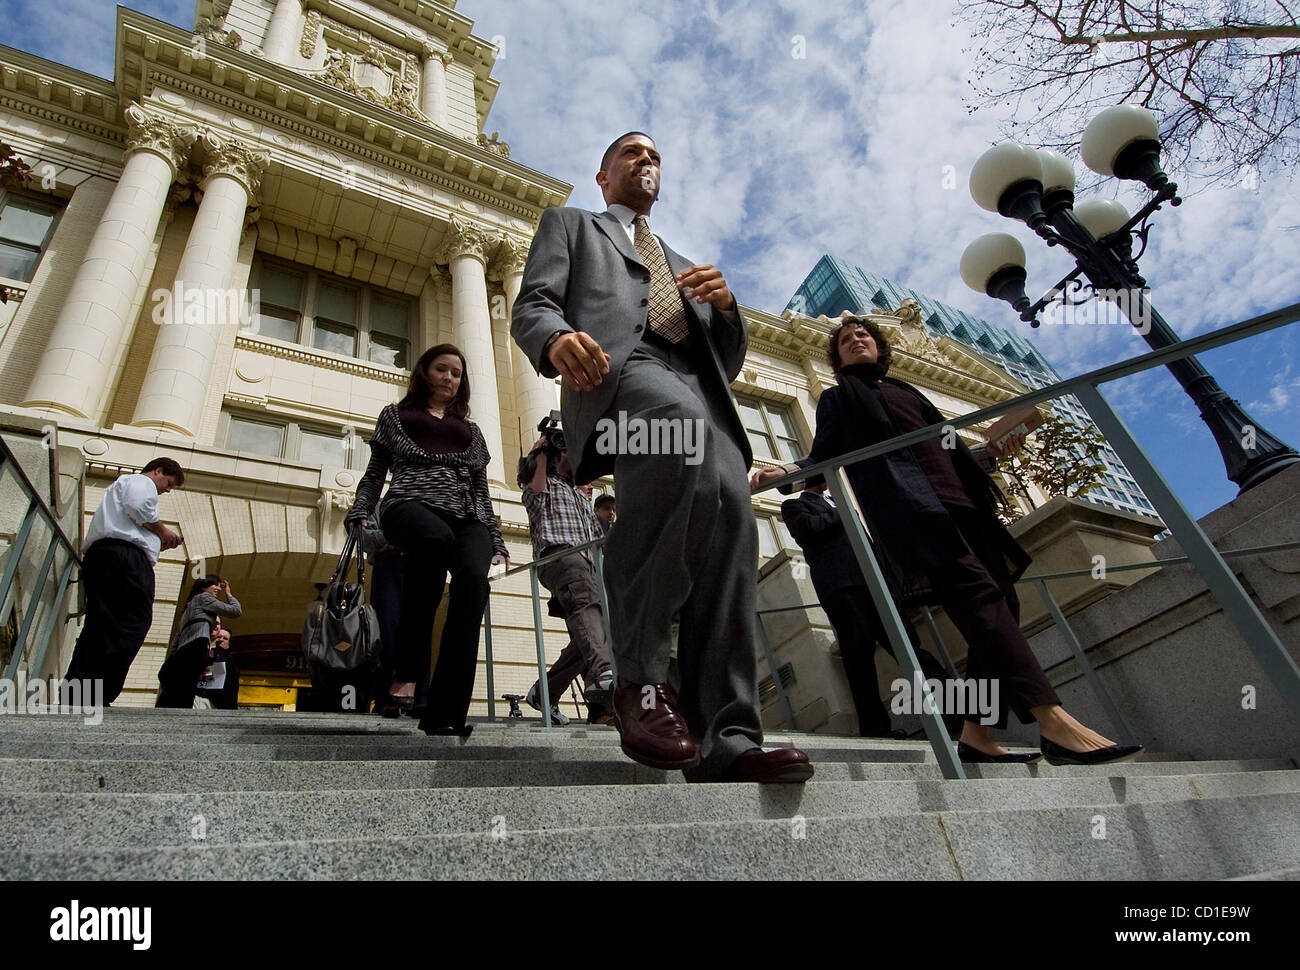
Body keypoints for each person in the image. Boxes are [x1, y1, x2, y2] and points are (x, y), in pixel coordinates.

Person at [512, 131, 811, 782]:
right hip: (620, 375)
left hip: (699, 391)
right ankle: (640, 684)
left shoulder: (682, 261)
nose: (646, 163)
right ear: (603, 175)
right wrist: (557, 337)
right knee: (677, 428)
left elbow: (723, 364)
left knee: (730, 524)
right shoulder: (571, 225)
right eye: (633, 154)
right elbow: (533, 303)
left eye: (656, 158)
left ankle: (727, 735)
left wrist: (727, 311)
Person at [753, 315, 1143, 766]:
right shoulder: (840, 399)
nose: (856, 339)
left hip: (965, 509)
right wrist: (788, 471)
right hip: (915, 516)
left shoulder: (908, 392)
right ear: (837, 358)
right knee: (981, 600)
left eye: (862, 334)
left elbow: (943, 451)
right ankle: (1054, 721)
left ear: (879, 345)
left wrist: (991, 452)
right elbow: (823, 455)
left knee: (1002, 606)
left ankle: (976, 733)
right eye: (844, 339)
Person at [346, 344, 508, 737]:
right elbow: (375, 473)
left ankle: (444, 712)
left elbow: (482, 493)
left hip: (465, 516)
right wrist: (360, 510)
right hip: (409, 505)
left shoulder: (472, 431)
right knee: (433, 542)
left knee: (473, 582)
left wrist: (496, 538)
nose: (449, 378)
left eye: (457, 373)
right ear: (424, 372)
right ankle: (408, 667)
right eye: (442, 369)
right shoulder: (397, 416)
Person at [782, 480, 959, 738]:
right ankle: (876, 729)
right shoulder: (795, 506)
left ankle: (956, 714)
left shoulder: (841, 503)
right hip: (843, 589)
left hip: (876, 585)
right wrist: (841, 510)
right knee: (859, 659)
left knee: (910, 647)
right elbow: (808, 529)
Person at [64, 457, 184, 706]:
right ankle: (94, 692)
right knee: (130, 623)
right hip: (124, 560)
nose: (167, 490)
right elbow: (138, 505)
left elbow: (134, 518)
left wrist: (155, 541)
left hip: (112, 557)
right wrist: (163, 532)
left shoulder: (124, 488)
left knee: (104, 623)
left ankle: (82, 692)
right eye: (169, 483)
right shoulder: (140, 481)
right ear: (157, 471)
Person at [520, 436, 613, 725]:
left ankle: (545, 692)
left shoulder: (580, 495)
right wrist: (540, 455)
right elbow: (534, 491)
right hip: (560, 556)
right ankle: (603, 672)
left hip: (589, 563)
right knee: (586, 606)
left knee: (601, 627)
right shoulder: (546, 484)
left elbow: (597, 539)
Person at [156, 574, 242, 709]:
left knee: (181, 685)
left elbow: (177, 638)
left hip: (183, 650)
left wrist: (171, 658)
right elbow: (235, 611)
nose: (219, 588)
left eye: (220, 585)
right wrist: (229, 594)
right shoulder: (203, 597)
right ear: (204, 587)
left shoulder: (189, 608)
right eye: (215, 584)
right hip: (196, 646)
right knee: (188, 686)